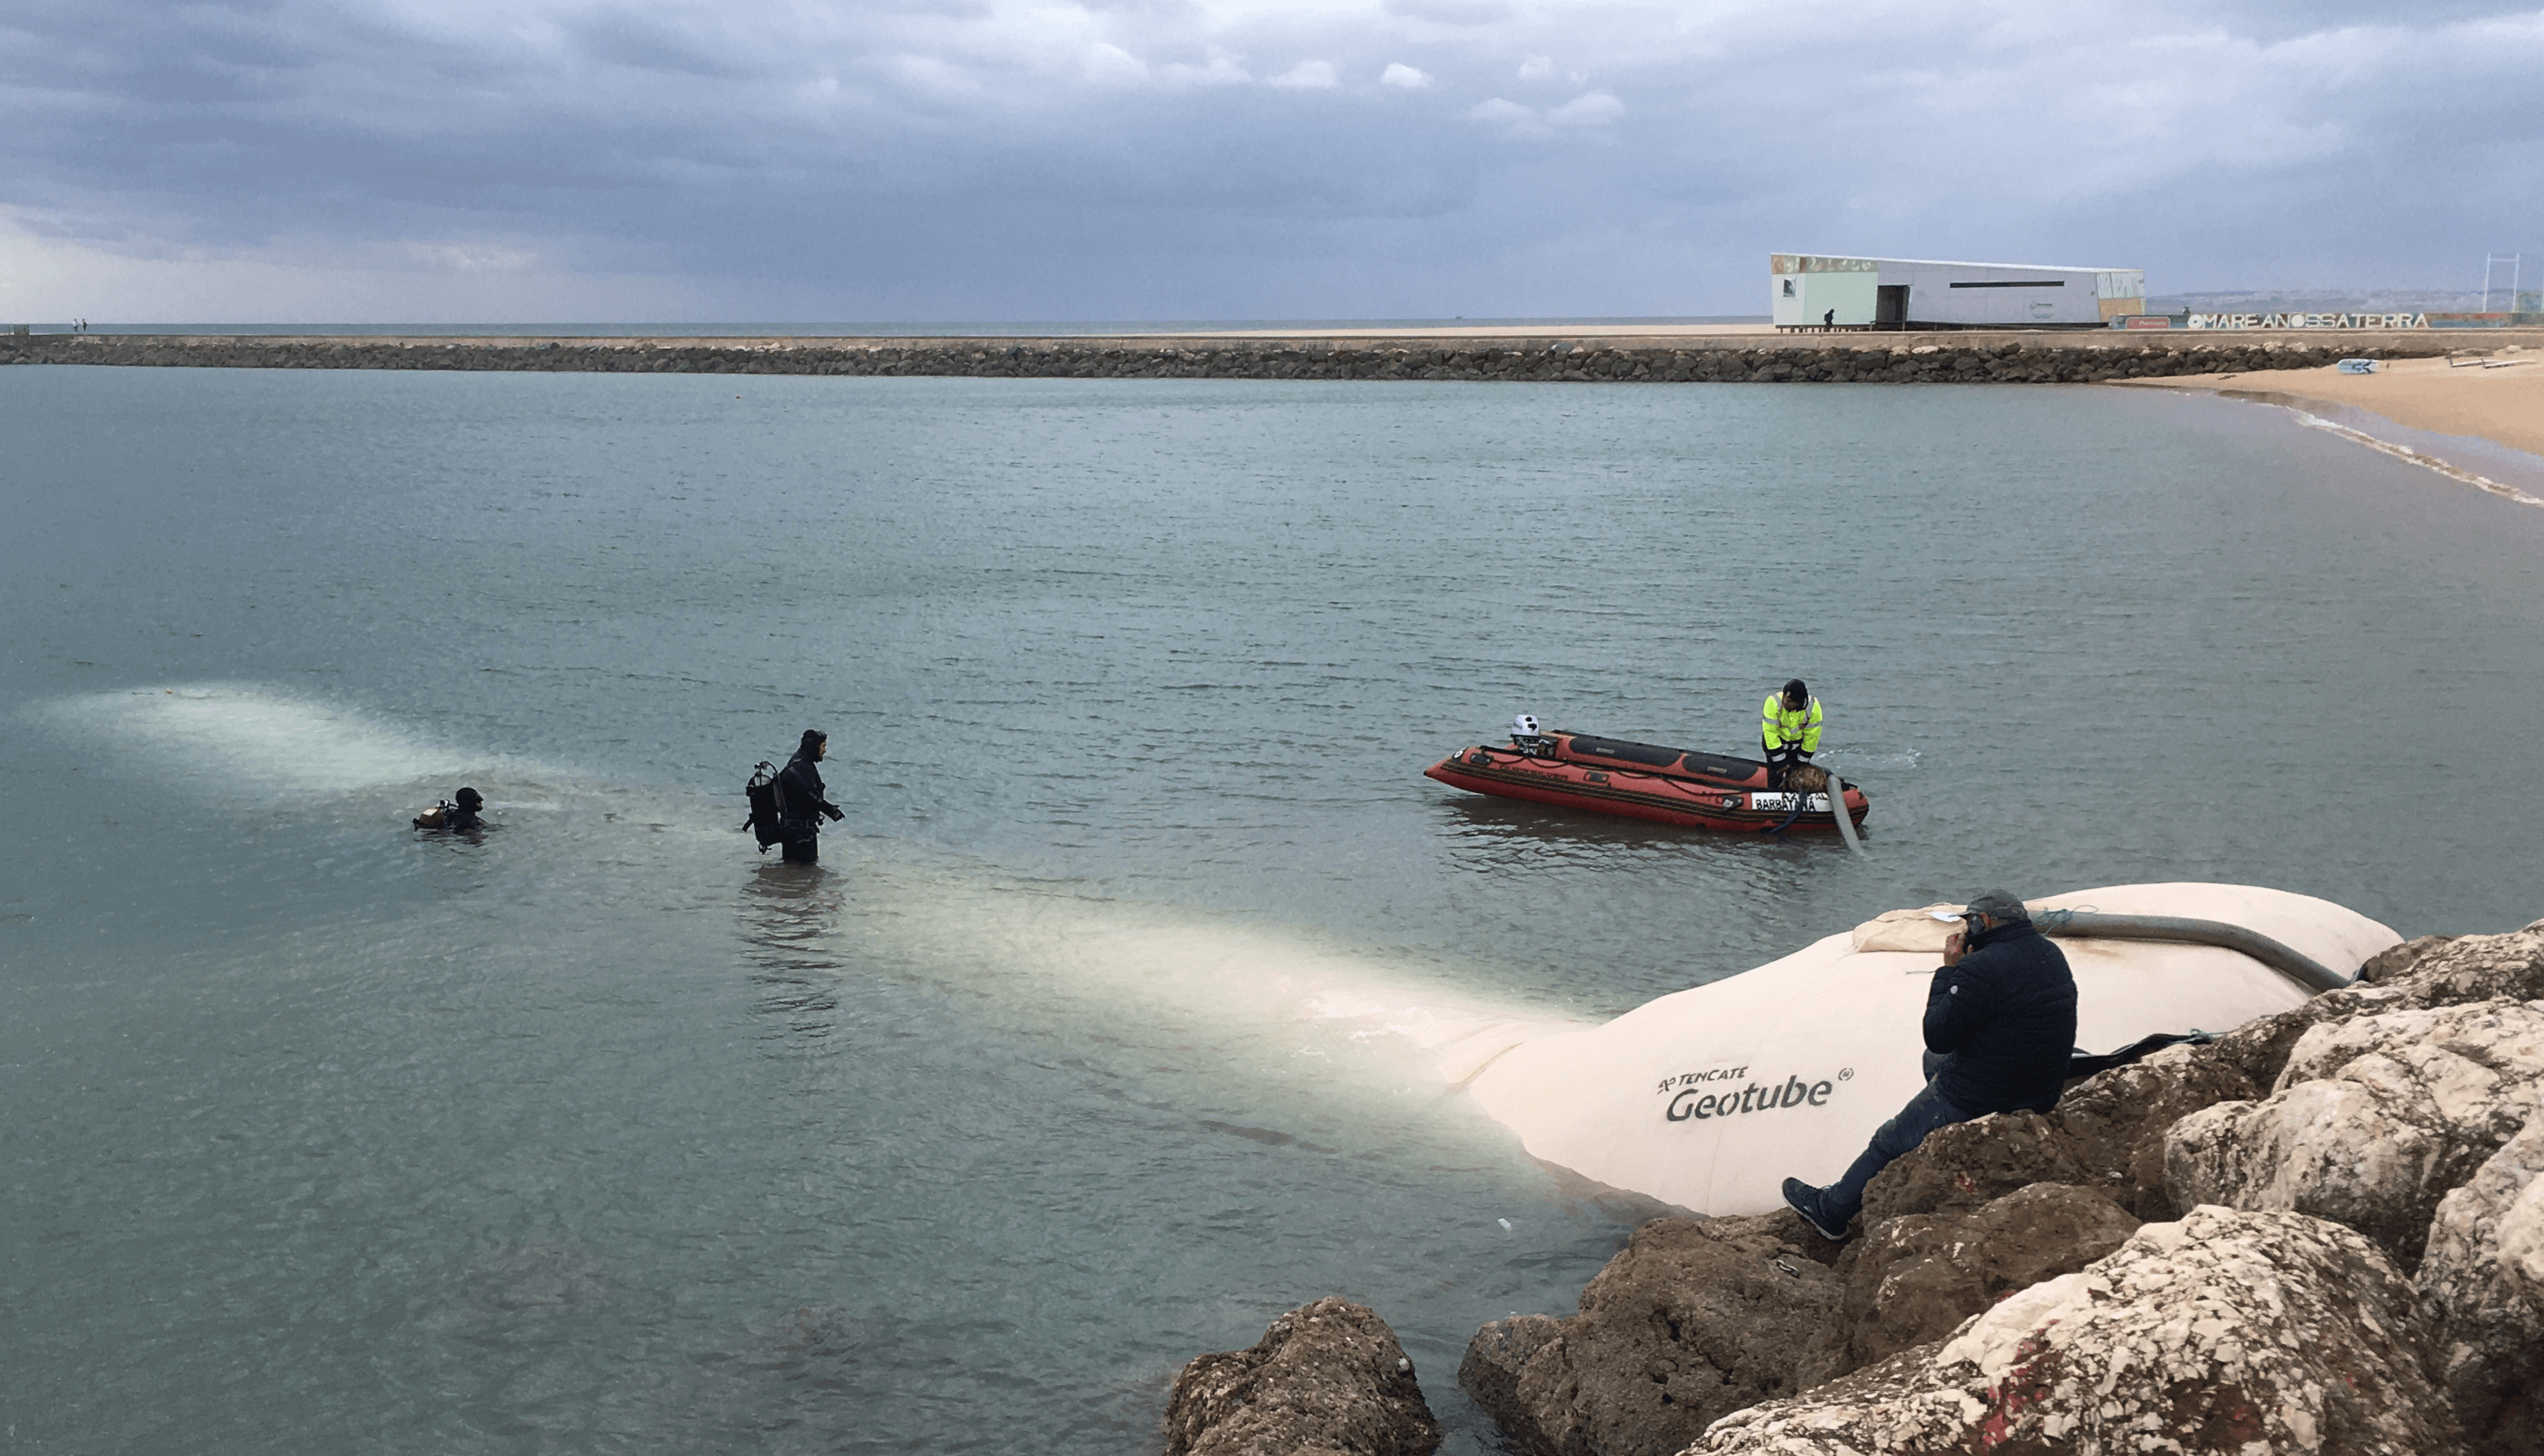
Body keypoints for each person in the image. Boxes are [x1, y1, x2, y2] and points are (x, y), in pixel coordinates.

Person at [1780, 890, 2077, 1242]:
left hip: (1988, 1096)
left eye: (1969, 923)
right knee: (1933, 1063)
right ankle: (1940, 1129)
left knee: (1889, 1138)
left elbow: (1937, 1035)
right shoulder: (2050, 953)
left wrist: (1949, 971)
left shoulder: (1979, 968)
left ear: (1982, 922)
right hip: (2043, 1091)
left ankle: (1832, 1211)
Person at [775, 729, 845, 864]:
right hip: (800, 832)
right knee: (808, 870)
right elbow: (811, 796)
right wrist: (832, 811)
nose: (825, 750)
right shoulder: (801, 766)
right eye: (823, 746)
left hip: (793, 829)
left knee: (792, 869)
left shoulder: (799, 761)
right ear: (814, 747)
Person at [1760, 679, 1822, 788]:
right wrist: (1780, 762)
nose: (1784, 702)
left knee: (1797, 777)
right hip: (1775, 744)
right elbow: (1770, 733)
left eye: (1789, 701)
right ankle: (1774, 790)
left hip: (1797, 746)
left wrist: (1802, 763)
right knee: (1775, 777)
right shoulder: (1773, 702)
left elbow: (1812, 736)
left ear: (1798, 702)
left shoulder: (1813, 708)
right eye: (1784, 698)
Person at [413, 787, 485, 833]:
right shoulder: (470, 822)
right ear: (467, 802)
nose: (481, 799)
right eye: (477, 799)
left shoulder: (450, 813)